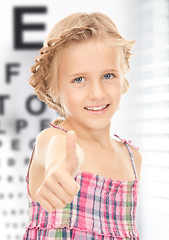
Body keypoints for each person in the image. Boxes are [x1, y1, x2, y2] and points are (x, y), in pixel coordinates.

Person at [23, 11, 142, 240]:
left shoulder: (133, 158)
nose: (97, 93)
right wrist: (59, 167)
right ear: (54, 88)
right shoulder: (52, 140)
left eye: (108, 75)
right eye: (79, 79)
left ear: (123, 76)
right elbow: (59, 152)